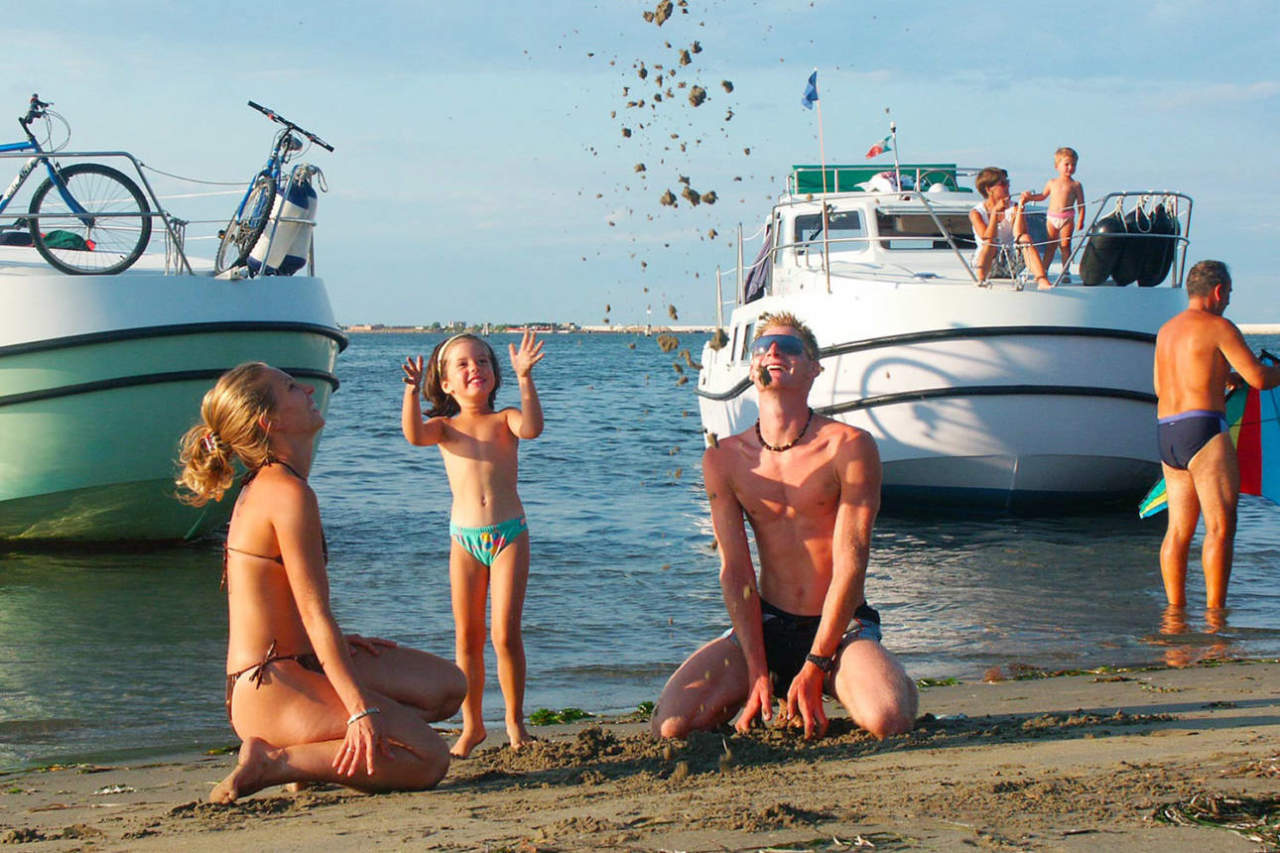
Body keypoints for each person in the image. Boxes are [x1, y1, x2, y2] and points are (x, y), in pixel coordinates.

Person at [176, 363, 466, 803]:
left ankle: (312, 749)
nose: (309, 388)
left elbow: (293, 608)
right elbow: (315, 613)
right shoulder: (285, 493)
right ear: (269, 422)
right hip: (270, 687)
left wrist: (336, 650)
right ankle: (273, 762)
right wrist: (358, 709)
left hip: (299, 662)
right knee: (427, 758)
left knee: (446, 687)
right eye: (292, 388)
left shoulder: (282, 484)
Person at [651, 312, 918, 741]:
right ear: (752, 367)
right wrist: (758, 668)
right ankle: (768, 683)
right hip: (768, 624)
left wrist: (816, 663)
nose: (773, 352)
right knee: (672, 724)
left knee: (888, 719)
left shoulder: (849, 447)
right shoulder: (723, 458)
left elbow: (852, 563)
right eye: (763, 347)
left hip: (843, 625)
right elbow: (736, 569)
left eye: (789, 347)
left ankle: (883, 679)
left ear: (814, 367)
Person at [401, 330, 545, 757]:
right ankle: (472, 725)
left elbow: (534, 428)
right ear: (445, 382)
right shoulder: (444, 428)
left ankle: (515, 722)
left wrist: (525, 378)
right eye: (462, 365)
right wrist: (410, 391)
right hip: (464, 539)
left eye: (482, 362)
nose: (474, 369)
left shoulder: (506, 420)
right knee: (466, 638)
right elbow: (412, 435)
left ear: (495, 374)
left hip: (509, 535)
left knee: (504, 635)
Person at [1153, 260, 1280, 610]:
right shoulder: (1219, 326)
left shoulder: (1166, 331)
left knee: (1178, 530)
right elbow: (1258, 378)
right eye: (1229, 295)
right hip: (1203, 428)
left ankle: (1174, 615)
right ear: (1219, 290)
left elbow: (1160, 384)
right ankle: (1214, 618)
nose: (1227, 303)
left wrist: (1225, 378)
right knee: (1221, 527)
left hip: (1168, 432)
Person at [969, 166, 1053, 289]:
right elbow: (986, 236)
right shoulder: (976, 213)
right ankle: (981, 279)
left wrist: (1020, 209)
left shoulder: (1013, 207)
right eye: (1003, 184)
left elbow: (1019, 233)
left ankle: (1041, 279)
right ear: (989, 189)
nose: (1008, 186)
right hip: (987, 262)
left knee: (1025, 237)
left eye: (1007, 182)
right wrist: (994, 214)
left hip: (1010, 262)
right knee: (989, 242)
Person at [1022, 147, 1085, 276]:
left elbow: (1081, 205)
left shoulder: (1076, 185)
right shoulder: (1052, 182)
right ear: (1057, 166)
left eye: (1073, 165)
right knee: (1051, 245)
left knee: (1065, 245)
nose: (1070, 167)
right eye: (1066, 164)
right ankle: (1044, 270)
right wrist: (1030, 198)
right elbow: (1043, 196)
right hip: (1052, 218)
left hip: (1067, 218)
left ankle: (1066, 270)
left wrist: (1081, 220)